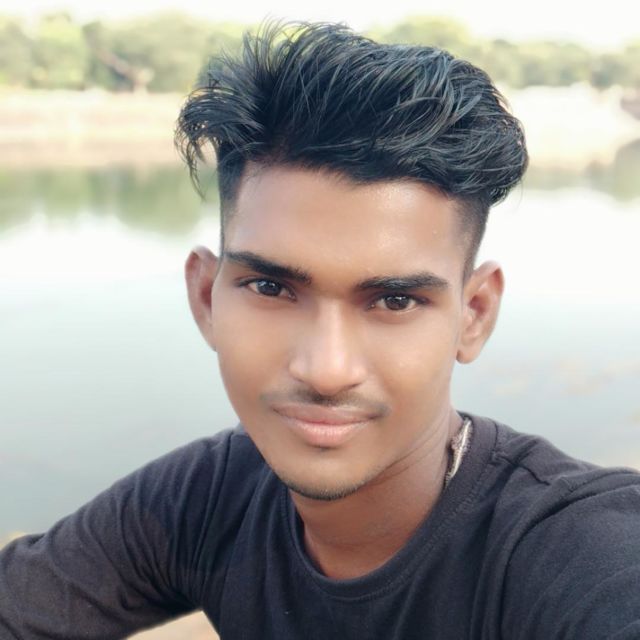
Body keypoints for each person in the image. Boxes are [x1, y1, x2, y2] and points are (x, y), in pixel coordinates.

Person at [1, 21, 639, 640]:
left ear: (473, 315)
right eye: (271, 288)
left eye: (394, 300)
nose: (327, 370)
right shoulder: (206, 499)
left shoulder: (573, 549)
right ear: (205, 297)